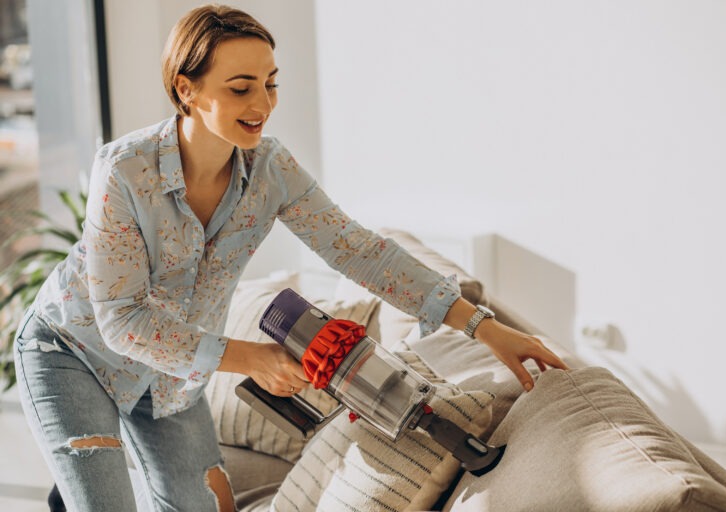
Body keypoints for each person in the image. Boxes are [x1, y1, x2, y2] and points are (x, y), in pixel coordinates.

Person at [14, 4, 568, 511]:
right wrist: (252, 359)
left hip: (173, 376)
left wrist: (483, 327)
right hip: (73, 353)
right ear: (187, 90)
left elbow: (361, 252)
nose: (262, 105)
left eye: (270, 84)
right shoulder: (125, 170)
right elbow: (122, 321)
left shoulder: (270, 170)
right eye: (239, 88)